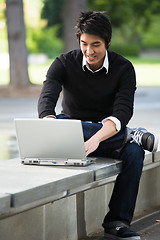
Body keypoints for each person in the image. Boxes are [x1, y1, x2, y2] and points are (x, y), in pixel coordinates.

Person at [38, 11, 158, 240]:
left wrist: (98, 138)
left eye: (96, 45)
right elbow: (47, 98)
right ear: (79, 40)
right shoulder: (63, 63)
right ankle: (129, 136)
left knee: (134, 153)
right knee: (66, 124)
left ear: (108, 42)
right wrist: (49, 124)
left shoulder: (124, 69)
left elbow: (122, 112)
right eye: (84, 44)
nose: (89, 51)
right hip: (74, 133)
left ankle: (117, 223)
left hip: (106, 135)